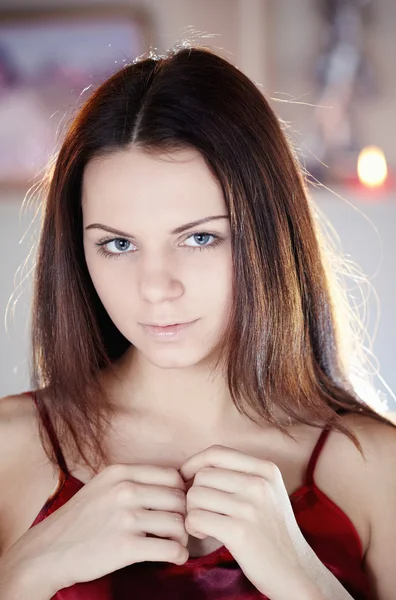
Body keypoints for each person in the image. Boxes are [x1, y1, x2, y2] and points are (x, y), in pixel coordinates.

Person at [0, 42, 395, 600]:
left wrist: (305, 581)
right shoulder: (7, 449)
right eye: (117, 244)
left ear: (269, 233)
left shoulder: (378, 468)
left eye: (200, 237)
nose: (157, 287)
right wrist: (25, 573)